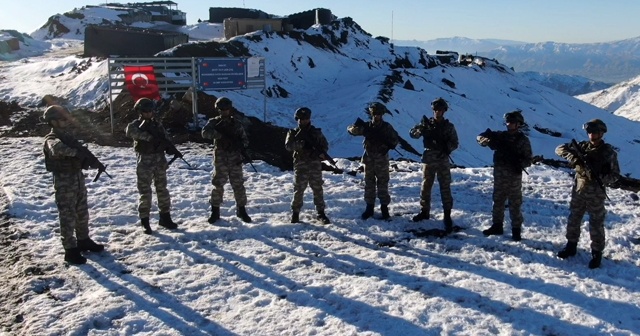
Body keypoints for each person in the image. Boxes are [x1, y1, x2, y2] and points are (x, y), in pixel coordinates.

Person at [42, 105, 104, 265]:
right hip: (64, 181)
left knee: (82, 211)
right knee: (68, 214)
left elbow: (79, 150)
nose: (66, 121)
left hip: (76, 177)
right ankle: (70, 250)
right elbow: (57, 149)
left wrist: (91, 160)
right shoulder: (52, 138)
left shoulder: (68, 136)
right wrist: (78, 154)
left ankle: (83, 240)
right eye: (62, 119)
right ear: (53, 122)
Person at [555, 119, 620, 269]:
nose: (592, 135)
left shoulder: (608, 153)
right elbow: (559, 149)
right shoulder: (582, 147)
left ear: (601, 133)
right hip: (579, 189)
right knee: (574, 218)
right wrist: (573, 157)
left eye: (595, 132)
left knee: (596, 223)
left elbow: (615, 175)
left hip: (596, 193)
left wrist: (601, 176)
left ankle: (596, 253)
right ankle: (571, 246)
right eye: (590, 132)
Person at [125, 97, 179, 234]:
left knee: (162, 190)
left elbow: (165, 139)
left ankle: (165, 217)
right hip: (145, 162)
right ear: (139, 112)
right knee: (145, 192)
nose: (149, 114)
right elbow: (131, 133)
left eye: (150, 111)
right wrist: (150, 138)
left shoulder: (157, 125)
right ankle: (145, 221)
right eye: (145, 111)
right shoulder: (135, 125)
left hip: (159, 161)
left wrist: (170, 148)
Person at [477, 111, 533, 241]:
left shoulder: (523, 140)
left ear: (518, 124)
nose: (509, 125)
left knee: (515, 203)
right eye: (508, 122)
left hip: (513, 176)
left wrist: (518, 162)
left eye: (512, 122)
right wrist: (483, 140)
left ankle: (516, 230)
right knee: (498, 200)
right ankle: (497, 225)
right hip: (500, 174)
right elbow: (481, 136)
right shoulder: (500, 136)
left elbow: (528, 160)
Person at [409, 97, 459, 232]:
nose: (438, 112)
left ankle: (447, 214)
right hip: (429, 158)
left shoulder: (449, 127)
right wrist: (420, 128)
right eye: (436, 110)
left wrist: (446, 147)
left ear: (444, 111)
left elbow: (455, 142)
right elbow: (413, 135)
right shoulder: (426, 124)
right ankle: (424, 211)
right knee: (426, 186)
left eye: (440, 110)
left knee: (445, 187)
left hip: (442, 158)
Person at [202, 96, 252, 223]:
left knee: (238, 184)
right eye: (222, 109)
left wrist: (238, 145)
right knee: (218, 184)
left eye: (226, 109)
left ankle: (241, 210)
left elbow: (245, 140)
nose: (224, 111)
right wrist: (220, 136)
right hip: (221, 157)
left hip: (235, 157)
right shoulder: (213, 123)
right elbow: (205, 133)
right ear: (218, 109)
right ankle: (215, 211)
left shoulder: (236, 124)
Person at [347, 102, 399, 220]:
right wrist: (355, 128)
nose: (377, 116)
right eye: (375, 114)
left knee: (383, 183)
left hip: (381, 159)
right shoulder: (367, 126)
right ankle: (369, 207)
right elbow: (351, 130)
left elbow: (395, 139)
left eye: (379, 114)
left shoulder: (386, 127)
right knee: (369, 183)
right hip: (369, 159)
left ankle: (384, 208)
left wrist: (387, 145)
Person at [284, 107, 331, 224]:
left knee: (318, 189)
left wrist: (320, 153)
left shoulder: (316, 133)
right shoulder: (293, 133)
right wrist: (300, 144)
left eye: (305, 119)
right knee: (298, 189)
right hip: (300, 165)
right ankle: (295, 213)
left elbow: (324, 145)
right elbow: (288, 146)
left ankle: (321, 213)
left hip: (314, 164)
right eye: (301, 119)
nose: (303, 121)